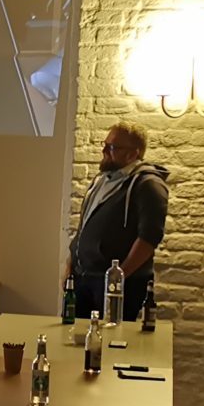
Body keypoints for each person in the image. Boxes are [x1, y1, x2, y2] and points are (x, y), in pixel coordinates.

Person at [67, 121, 168, 320]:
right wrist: (70, 266)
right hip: (83, 279)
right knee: (75, 335)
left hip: (117, 285)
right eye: (104, 145)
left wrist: (118, 277)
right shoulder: (101, 181)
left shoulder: (147, 184)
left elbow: (149, 238)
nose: (104, 151)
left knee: (112, 337)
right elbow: (84, 227)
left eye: (112, 147)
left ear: (132, 154)